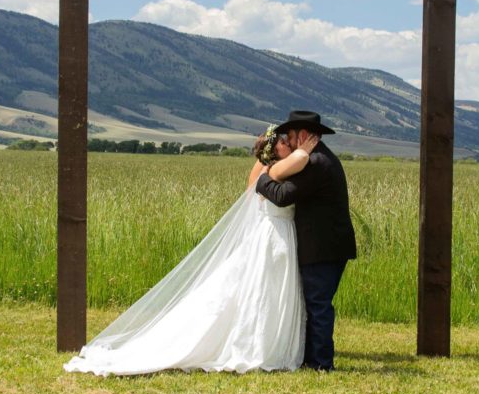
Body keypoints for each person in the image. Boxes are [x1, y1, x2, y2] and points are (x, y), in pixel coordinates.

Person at [62, 128, 317, 377]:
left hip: (270, 234)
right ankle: (258, 345)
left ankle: (263, 339)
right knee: (263, 290)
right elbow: (301, 159)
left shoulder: (263, 168)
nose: (290, 143)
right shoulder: (275, 169)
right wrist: (306, 148)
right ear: (275, 149)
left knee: (263, 290)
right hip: (271, 235)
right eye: (284, 140)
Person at [256, 110, 357, 372]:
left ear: (302, 134)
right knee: (315, 303)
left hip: (323, 247)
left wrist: (262, 177)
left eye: (290, 136)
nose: (288, 142)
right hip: (327, 245)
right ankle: (312, 358)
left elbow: (281, 196)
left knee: (318, 305)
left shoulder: (316, 163)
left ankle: (321, 363)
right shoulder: (319, 158)